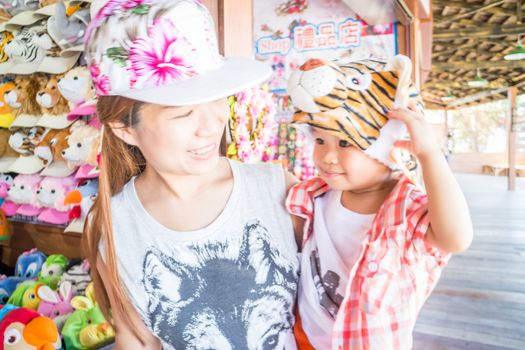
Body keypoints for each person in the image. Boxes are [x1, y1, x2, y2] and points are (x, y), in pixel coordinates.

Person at [83, 1, 302, 349]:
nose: (211, 125)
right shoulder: (115, 223)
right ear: (124, 128)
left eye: (217, 100)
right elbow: (137, 340)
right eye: (183, 114)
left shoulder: (275, 190)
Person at [285, 57, 473, 349]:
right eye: (320, 140)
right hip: (301, 335)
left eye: (345, 143)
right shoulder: (315, 194)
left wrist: (430, 155)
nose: (327, 156)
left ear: (389, 149)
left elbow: (456, 238)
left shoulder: (407, 211)